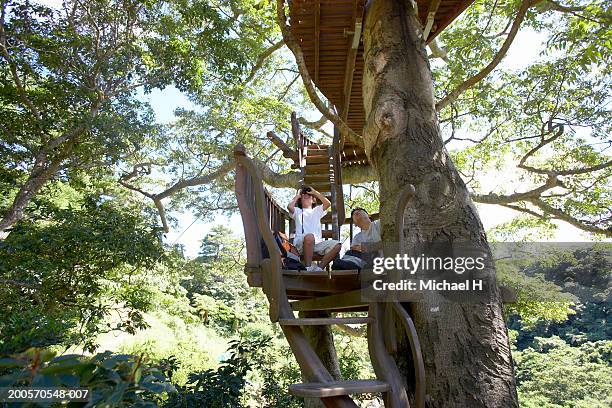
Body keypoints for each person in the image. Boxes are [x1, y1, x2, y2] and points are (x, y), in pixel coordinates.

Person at [287, 186, 341, 272]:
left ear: (313, 200)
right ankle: (308, 268)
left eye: (309, 195)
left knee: (337, 245)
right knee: (310, 236)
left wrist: (315, 192)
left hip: (316, 244)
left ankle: (319, 268)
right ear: (300, 200)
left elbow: (328, 204)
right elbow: (289, 206)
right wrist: (297, 195)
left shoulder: (317, 210)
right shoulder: (297, 211)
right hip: (301, 244)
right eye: (303, 195)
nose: (306, 196)